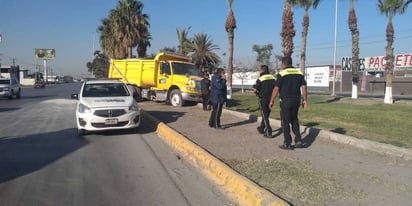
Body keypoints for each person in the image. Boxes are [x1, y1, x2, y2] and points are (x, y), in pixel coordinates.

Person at [269, 56, 307, 150]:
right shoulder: (299, 73)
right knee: (294, 119)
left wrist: (271, 100)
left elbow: (276, 88)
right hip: (296, 100)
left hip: (285, 100)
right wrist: (305, 99)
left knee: (285, 122)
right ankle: (298, 140)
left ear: (283, 64)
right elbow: (303, 87)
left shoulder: (282, 73)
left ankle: (287, 143)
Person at [253, 65, 276, 137]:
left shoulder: (260, 78)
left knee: (264, 115)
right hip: (271, 99)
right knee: (266, 115)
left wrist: (256, 92)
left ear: (262, 70)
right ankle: (261, 128)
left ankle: (269, 130)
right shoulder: (273, 77)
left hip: (263, 99)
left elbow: (255, 89)